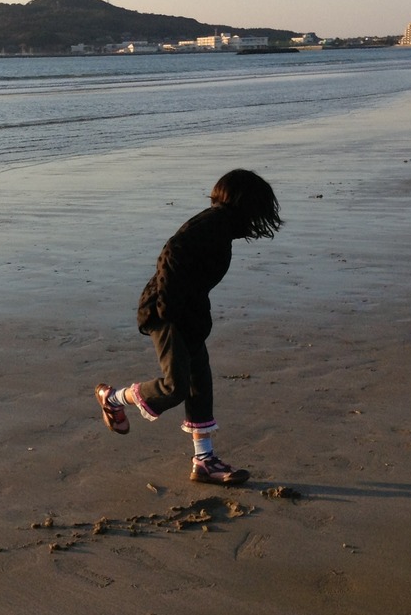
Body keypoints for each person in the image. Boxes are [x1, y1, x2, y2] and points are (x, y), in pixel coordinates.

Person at [94, 169, 282, 485]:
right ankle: (112, 398)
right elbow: (172, 251)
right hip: (166, 312)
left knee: (199, 386)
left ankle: (204, 461)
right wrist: (170, 309)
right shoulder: (215, 222)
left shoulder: (222, 225)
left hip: (187, 313)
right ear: (246, 203)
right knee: (175, 386)